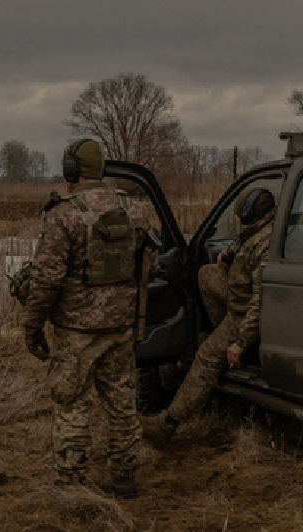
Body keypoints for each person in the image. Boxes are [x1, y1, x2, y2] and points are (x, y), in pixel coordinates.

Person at [22, 138, 151, 498]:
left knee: (71, 402)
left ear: (71, 170)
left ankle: (71, 482)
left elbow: (46, 278)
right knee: (121, 403)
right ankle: (124, 476)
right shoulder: (135, 209)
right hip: (121, 326)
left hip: (77, 330)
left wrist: (32, 325)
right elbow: (143, 264)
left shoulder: (63, 213)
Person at [141, 188, 276, 442]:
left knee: (205, 356)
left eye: (239, 214)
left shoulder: (265, 245)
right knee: (206, 274)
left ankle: (168, 423)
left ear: (248, 213)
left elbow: (261, 302)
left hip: (245, 314)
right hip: (239, 297)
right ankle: (221, 333)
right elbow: (240, 251)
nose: (236, 219)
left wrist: (240, 342)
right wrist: (227, 258)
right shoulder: (256, 232)